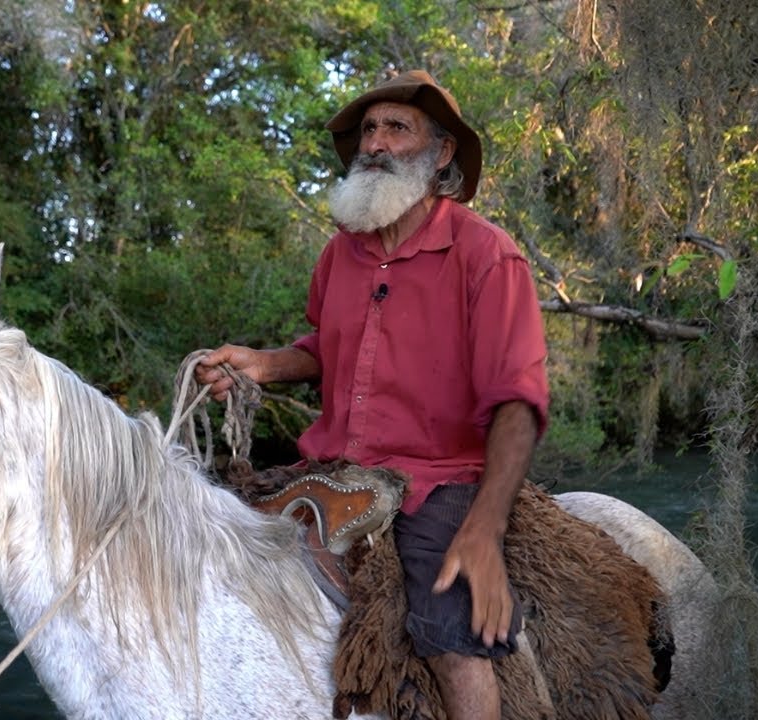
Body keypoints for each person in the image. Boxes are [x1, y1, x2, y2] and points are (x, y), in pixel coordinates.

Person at [195, 70, 549, 719]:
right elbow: (329, 348)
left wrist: (483, 529)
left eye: (396, 128)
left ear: (441, 152)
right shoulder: (341, 255)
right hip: (331, 468)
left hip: (435, 480)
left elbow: (518, 400)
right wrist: (263, 366)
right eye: (368, 129)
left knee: (447, 633)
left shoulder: (487, 256)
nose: (375, 143)